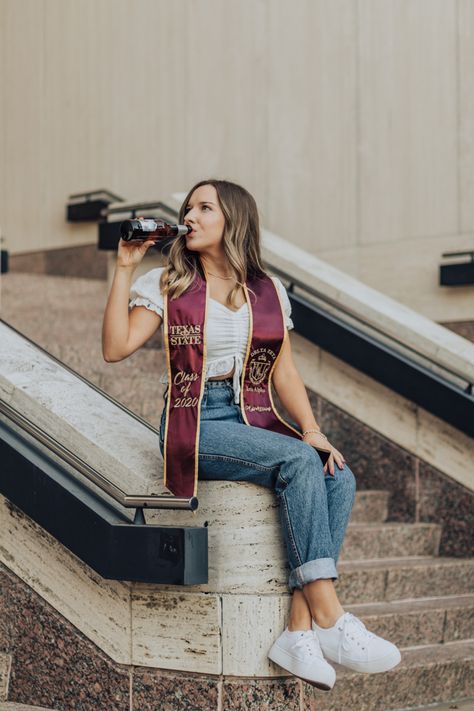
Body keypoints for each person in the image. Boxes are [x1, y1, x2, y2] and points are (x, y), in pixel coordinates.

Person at [102, 178, 401, 691]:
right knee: (297, 463)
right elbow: (115, 348)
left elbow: (282, 369)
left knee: (337, 474)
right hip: (196, 423)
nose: (189, 216)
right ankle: (331, 618)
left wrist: (312, 429)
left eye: (204, 208)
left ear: (233, 219)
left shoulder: (265, 290)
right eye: (187, 208)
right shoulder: (169, 282)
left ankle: (298, 628)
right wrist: (126, 266)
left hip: (254, 417)